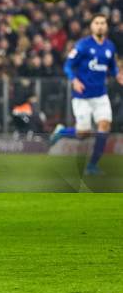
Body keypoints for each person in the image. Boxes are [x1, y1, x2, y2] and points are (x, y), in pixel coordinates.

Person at [51, 14, 123, 174]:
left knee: (104, 126)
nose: (100, 26)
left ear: (106, 26)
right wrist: (74, 80)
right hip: (82, 96)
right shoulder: (82, 45)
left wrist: (118, 74)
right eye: (97, 23)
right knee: (83, 133)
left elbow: (112, 67)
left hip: (100, 95)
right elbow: (68, 66)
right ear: (92, 26)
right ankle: (62, 132)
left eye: (103, 23)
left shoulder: (110, 47)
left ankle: (92, 166)